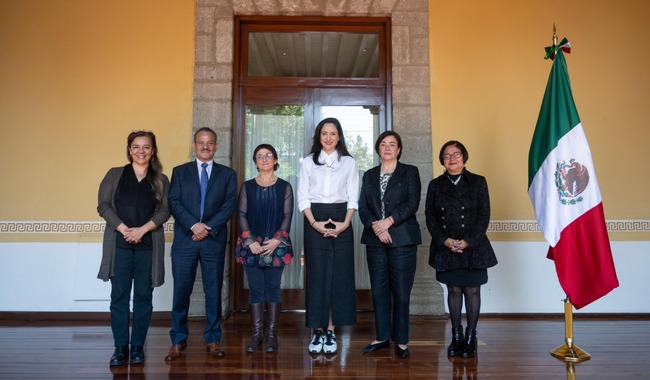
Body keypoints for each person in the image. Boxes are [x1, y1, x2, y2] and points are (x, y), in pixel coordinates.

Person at [97, 130, 170, 366]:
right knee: (118, 297)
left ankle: (138, 346)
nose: (141, 151)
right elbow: (103, 205)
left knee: (143, 297)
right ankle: (120, 348)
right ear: (129, 150)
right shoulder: (115, 174)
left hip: (148, 246)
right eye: (136, 146)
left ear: (153, 150)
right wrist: (123, 229)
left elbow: (164, 211)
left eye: (146, 147)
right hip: (119, 245)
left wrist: (142, 230)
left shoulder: (160, 179)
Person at [165, 127, 237, 361]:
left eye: (210, 143)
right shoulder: (179, 172)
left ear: (216, 147)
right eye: (200, 142)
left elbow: (228, 206)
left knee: (213, 291)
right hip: (185, 240)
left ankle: (213, 339)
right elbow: (174, 202)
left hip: (213, 241)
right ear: (194, 145)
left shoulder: (227, 174)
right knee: (181, 291)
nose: (205, 146)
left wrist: (207, 228)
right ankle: (177, 340)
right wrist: (193, 226)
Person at [425, 140, 497, 359]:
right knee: (454, 290)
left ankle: (470, 337)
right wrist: (444, 240)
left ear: (464, 158)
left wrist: (468, 241)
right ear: (442, 160)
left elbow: (484, 215)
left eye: (456, 154)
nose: (452, 158)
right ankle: (456, 337)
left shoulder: (478, 182)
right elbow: (430, 217)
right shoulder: (435, 185)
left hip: (473, 247)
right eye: (447, 155)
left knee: (472, 291)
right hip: (446, 246)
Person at [297, 117, 359, 355]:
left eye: (333, 133)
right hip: (315, 217)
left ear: (339, 136)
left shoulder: (348, 162)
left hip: (342, 217)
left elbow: (353, 195)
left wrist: (344, 224)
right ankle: (317, 330)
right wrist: (314, 223)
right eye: (324, 133)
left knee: (339, 276)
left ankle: (331, 329)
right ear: (318, 136)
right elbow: (303, 196)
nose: (329, 138)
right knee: (317, 275)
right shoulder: (308, 162)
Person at [358, 131, 421, 359]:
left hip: (402, 239)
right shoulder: (369, 175)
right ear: (378, 149)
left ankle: (401, 341)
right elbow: (362, 207)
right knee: (379, 290)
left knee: (401, 293)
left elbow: (412, 203)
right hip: (375, 240)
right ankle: (382, 336)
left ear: (399, 149)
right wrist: (376, 227)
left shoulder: (409, 172)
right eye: (383, 144)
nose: (387, 147)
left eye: (392, 144)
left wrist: (388, 222)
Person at [234, 144, 294, 353]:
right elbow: (241, 214)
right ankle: (257, 334)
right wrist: (250, 241)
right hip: (251, 246)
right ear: (255, 162)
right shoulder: (247, 187)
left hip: (276, 247)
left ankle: (271, 335)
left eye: (268, 155)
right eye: (260, 156)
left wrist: (278, 239)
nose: (264, 159)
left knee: (273, 288)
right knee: (256, 288)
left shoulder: (284, 186)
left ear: (276, 160)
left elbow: (287, 215)